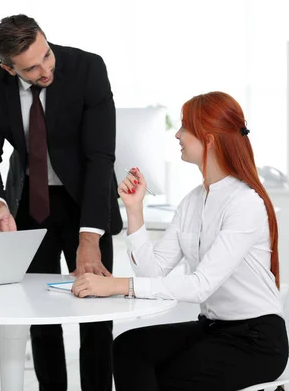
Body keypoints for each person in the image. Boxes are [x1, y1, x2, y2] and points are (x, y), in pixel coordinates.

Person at [72, 91, 289, 390]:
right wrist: (135, 210)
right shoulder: (192, 201)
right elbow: (153, 274)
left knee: (167, 377)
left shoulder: (245, 203)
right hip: (213, 328)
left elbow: (201, 285)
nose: (177, 134)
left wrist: (116, 285)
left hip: (256, 340)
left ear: (209, 138)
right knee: (128, 347)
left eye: (185, 127)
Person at [0, 14, 122, 391]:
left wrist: (90, 237)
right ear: (8, 68)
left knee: (95, 313)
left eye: (46, 56)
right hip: (30, 204)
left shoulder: (88, 68)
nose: (44, 69)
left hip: (87, 203)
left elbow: (100, 157)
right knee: (39, 312)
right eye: (30, 67)